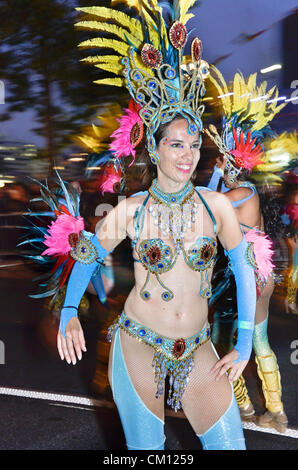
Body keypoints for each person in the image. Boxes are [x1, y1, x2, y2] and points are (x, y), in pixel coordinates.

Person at [51, 1, 259, 450]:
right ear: (155, 150)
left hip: (198, 347)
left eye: (194, 146)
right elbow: (87, 254)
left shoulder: (217, 205)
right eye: (176, 145)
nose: (188, 155)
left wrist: (243, 343)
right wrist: (69, 312)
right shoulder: (131, 210)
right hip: (139, 344)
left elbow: (244, 268)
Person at [205, 67, 289, 433]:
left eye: (225, 162)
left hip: (247, 277)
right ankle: (276, 411)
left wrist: (213, 171)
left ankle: (243, 407)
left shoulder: (240, 193)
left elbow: (204, 203)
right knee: (258, 340)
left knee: (224, 340)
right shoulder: (247, 191)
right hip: (259, 273)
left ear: (231, 165)